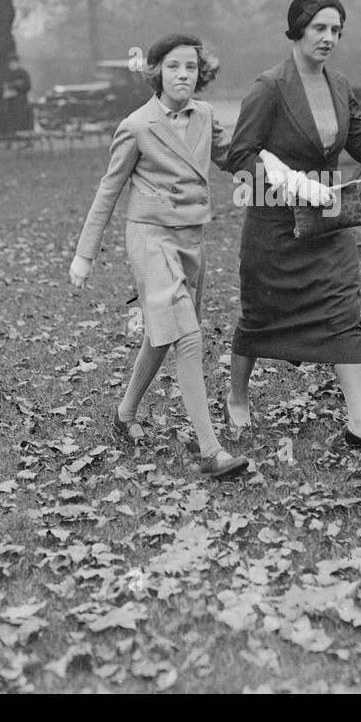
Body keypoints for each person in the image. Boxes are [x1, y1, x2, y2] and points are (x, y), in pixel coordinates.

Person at [224, 0, 361, 452]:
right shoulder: (269, 87)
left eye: (336, 30)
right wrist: (290, 183)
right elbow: (240, 155)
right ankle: (237, 396)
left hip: (329, 222)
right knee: (260, 317)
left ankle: (360, 421)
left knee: (343, 310)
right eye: (320, 28)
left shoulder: (338, 85)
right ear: (297, 29)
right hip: (275, 225)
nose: (329, 37)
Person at [69, 33, 248, 480]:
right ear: (157, 73)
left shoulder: (205, 115)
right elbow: (108, 190)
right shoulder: (137, 125)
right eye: (173, 67)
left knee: (163, 331)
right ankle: (210, 451)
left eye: (191, 67)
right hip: (149, 238)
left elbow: (234, 158)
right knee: (186, 334)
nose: (183, 74)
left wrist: (283, 174)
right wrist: (84, 254)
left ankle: (124, 413)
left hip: (191, 239)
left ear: (200, 73)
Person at [1, 53, 33, 135]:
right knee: (11, 122)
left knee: (21, 121)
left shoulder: (23, 73)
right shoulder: (6, 74)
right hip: (9, 102)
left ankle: (24, 139)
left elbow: (27, 86)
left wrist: (15, 85)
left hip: (20, 101)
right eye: (10, 62)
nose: (12, 64)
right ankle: (11, 138)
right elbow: (3, 86)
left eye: (13, 62)